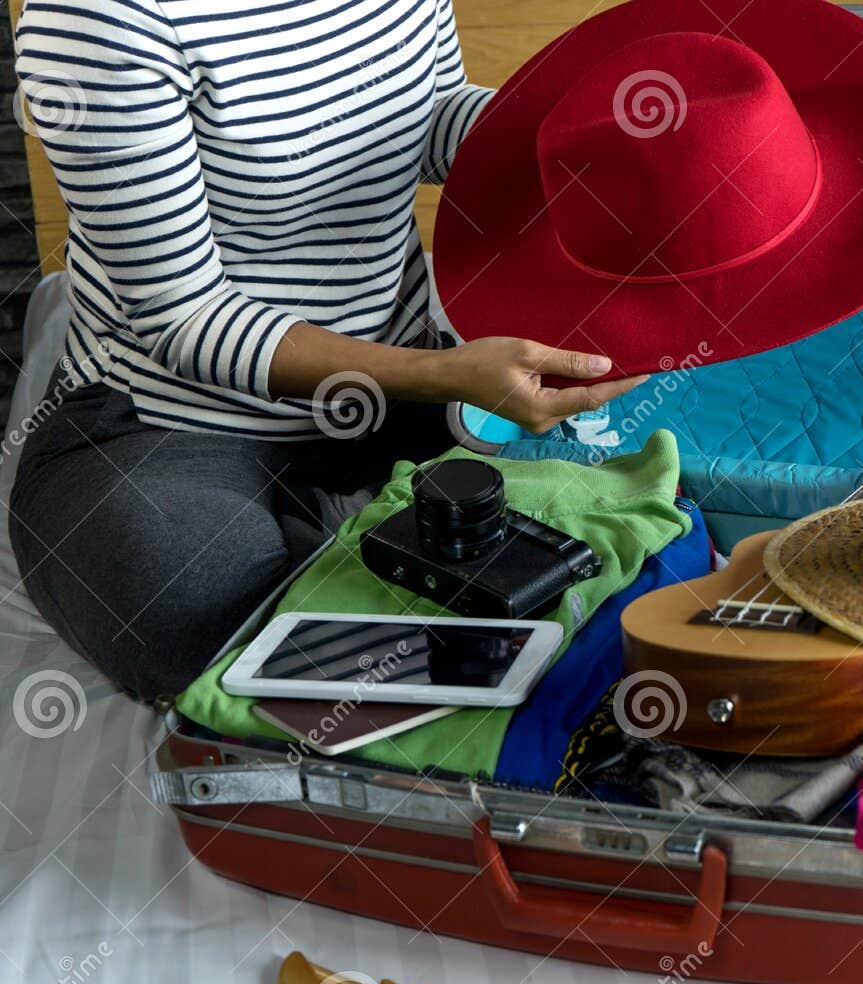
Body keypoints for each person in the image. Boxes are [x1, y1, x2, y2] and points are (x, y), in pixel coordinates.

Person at [8, 0, 645, 700]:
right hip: (171, 428)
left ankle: (342, 545)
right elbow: (183, 318)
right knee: (198, 610)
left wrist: (568, 137)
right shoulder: (100, 18)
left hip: (399, 398)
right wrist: (440, 376)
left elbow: (426, 117)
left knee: (594, 542)